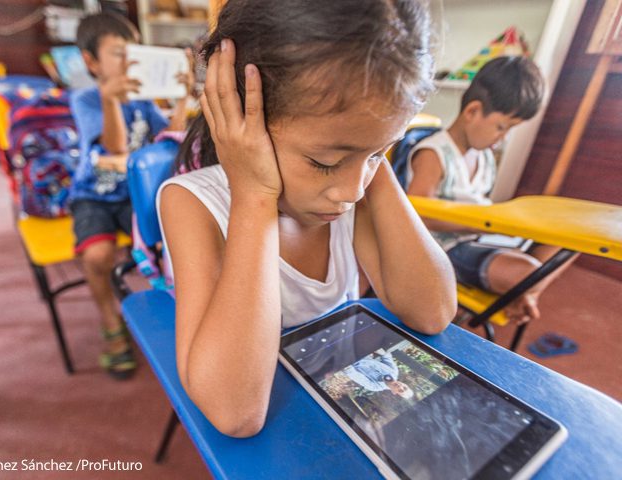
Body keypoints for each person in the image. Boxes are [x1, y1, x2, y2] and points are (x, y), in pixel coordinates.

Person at [157, 0, 457, 437]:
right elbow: (234, 412)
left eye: (379, 153)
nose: (352, 191)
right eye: (323, 161)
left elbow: (433, 311)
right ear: (239, 116)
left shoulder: (355, 183)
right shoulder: (191, 203)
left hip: (343, 407)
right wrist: (255, 196)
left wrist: (370, 144)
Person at [70, 12, 194, 379]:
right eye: (120, 53)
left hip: (130, 194)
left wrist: (182, 96)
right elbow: (114, 145)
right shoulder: (86, 100)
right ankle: (111, 323)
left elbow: (170, 140)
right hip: (92, 195)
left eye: (134, 52)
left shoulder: (142, 102)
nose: (131, 61)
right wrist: (110, 101)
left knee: (172, 237)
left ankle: (174, 308)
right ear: (91, 61)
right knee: (98, 254)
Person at [406, 56, 575, 326]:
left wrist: (497, 224)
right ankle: (522, 292)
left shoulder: (483, 156)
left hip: (479, 237)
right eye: (501, 127)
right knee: (532, 274)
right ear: (472, 112)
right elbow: (416, 214)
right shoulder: (434, 153)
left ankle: (519, 291)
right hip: (446, 247)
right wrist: (485, 223)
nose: (503, 137)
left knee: (569, 242)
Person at [343, 351, 414, 399]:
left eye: (400, 391)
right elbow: (386, 356)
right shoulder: (394, 371)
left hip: (350, 361)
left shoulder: (375, 387)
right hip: (363, 352)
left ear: (394, 392)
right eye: (405, 387)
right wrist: (379, 350)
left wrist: (346, 363)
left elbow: (353, 374)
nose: (400, 387)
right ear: (405, 384)